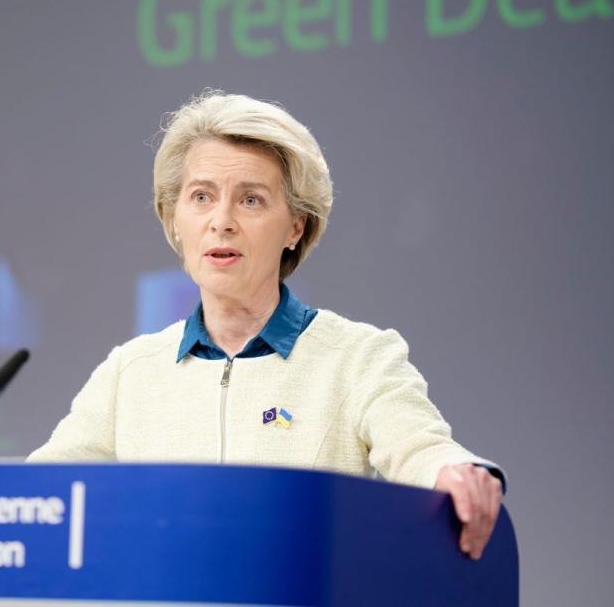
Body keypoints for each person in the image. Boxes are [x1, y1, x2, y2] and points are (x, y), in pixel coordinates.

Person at [27, 91, 505, 560]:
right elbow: (33, 495)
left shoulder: (359, 358)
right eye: (200, 197)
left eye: (251, 200)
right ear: (174, 218)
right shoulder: (129, 372)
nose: (221, 221)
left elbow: (422, 449)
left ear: (296, 226)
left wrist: (457, 471)